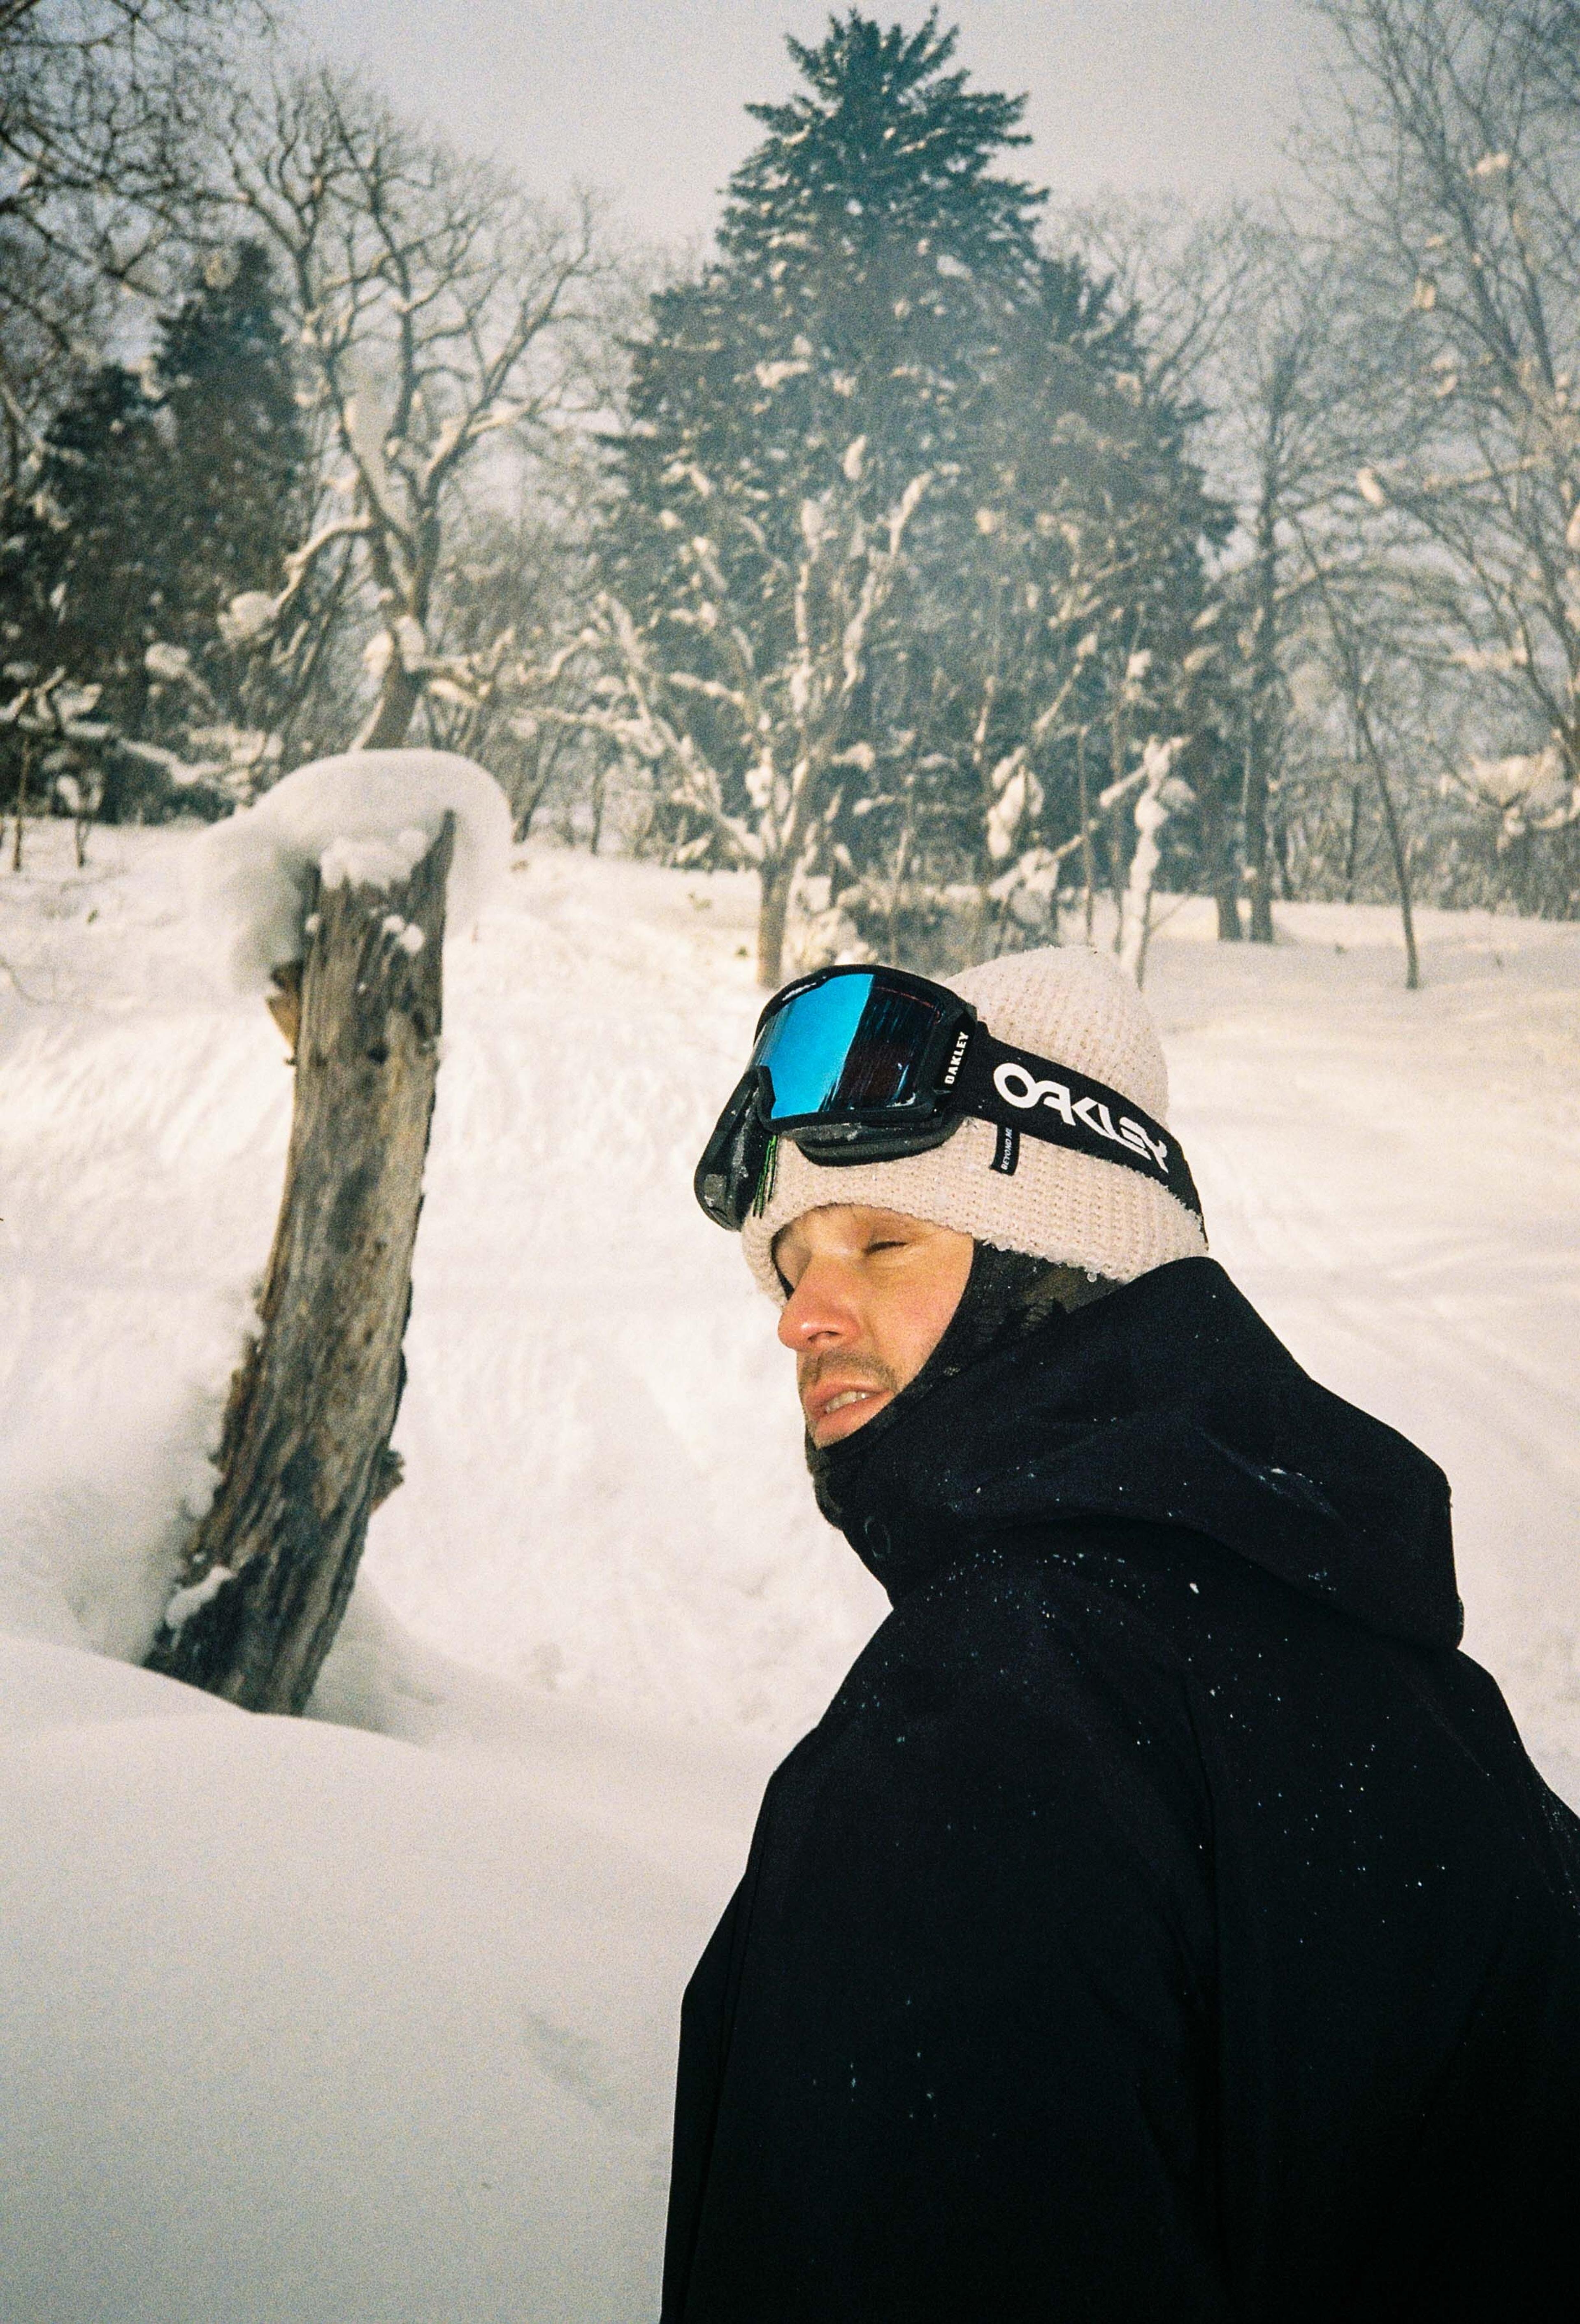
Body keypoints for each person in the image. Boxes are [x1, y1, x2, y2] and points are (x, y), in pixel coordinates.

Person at [662, 944, 1580, 2322]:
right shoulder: (1430, 1694)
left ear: (1061, 1258)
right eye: (789, 1266)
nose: (800, 1315)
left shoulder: (982, 1718)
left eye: (883, 1242)